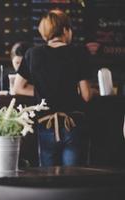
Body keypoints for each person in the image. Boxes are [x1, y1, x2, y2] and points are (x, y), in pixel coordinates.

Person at [14, 9, 92, 167]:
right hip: (73, 124)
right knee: (73, 176)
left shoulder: (32, 54)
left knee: (48, 178)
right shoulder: (79, 52)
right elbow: (86, 95)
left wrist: (44, 92)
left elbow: (18, 88)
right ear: (65, 30)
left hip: (45, 124)